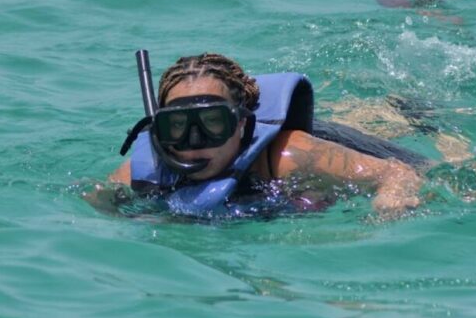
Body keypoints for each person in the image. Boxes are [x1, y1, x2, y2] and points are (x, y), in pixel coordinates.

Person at [84, 52, 432, 219]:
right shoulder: (144, 173)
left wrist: (391, 199)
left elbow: (397, 172)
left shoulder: (286, 156)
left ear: (240, 125)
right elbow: (95, 201)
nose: (195, 142)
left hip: (334, 139)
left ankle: (404, 109)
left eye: (213, 124)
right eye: (176, 127)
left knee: (388, 126)